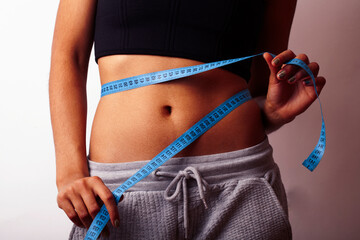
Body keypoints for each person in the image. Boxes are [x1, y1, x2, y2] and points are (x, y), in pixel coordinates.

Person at [49, 0, 326, 239]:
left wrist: (273, 113)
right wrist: (69, 174)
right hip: (119, 194)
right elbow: (69, 55)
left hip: (241, 185)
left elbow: (261, 78)